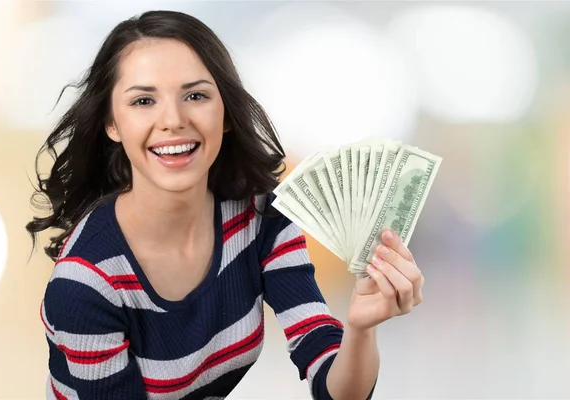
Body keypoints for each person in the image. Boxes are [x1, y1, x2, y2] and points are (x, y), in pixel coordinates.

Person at [26, 10, 424, 400]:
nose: (173, 120)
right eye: (144, 101)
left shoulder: (261, 218)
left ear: (227, 114)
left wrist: (360, 328)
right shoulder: (86, 282)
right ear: (112, 123)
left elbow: (334, 386)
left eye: (195, 95)